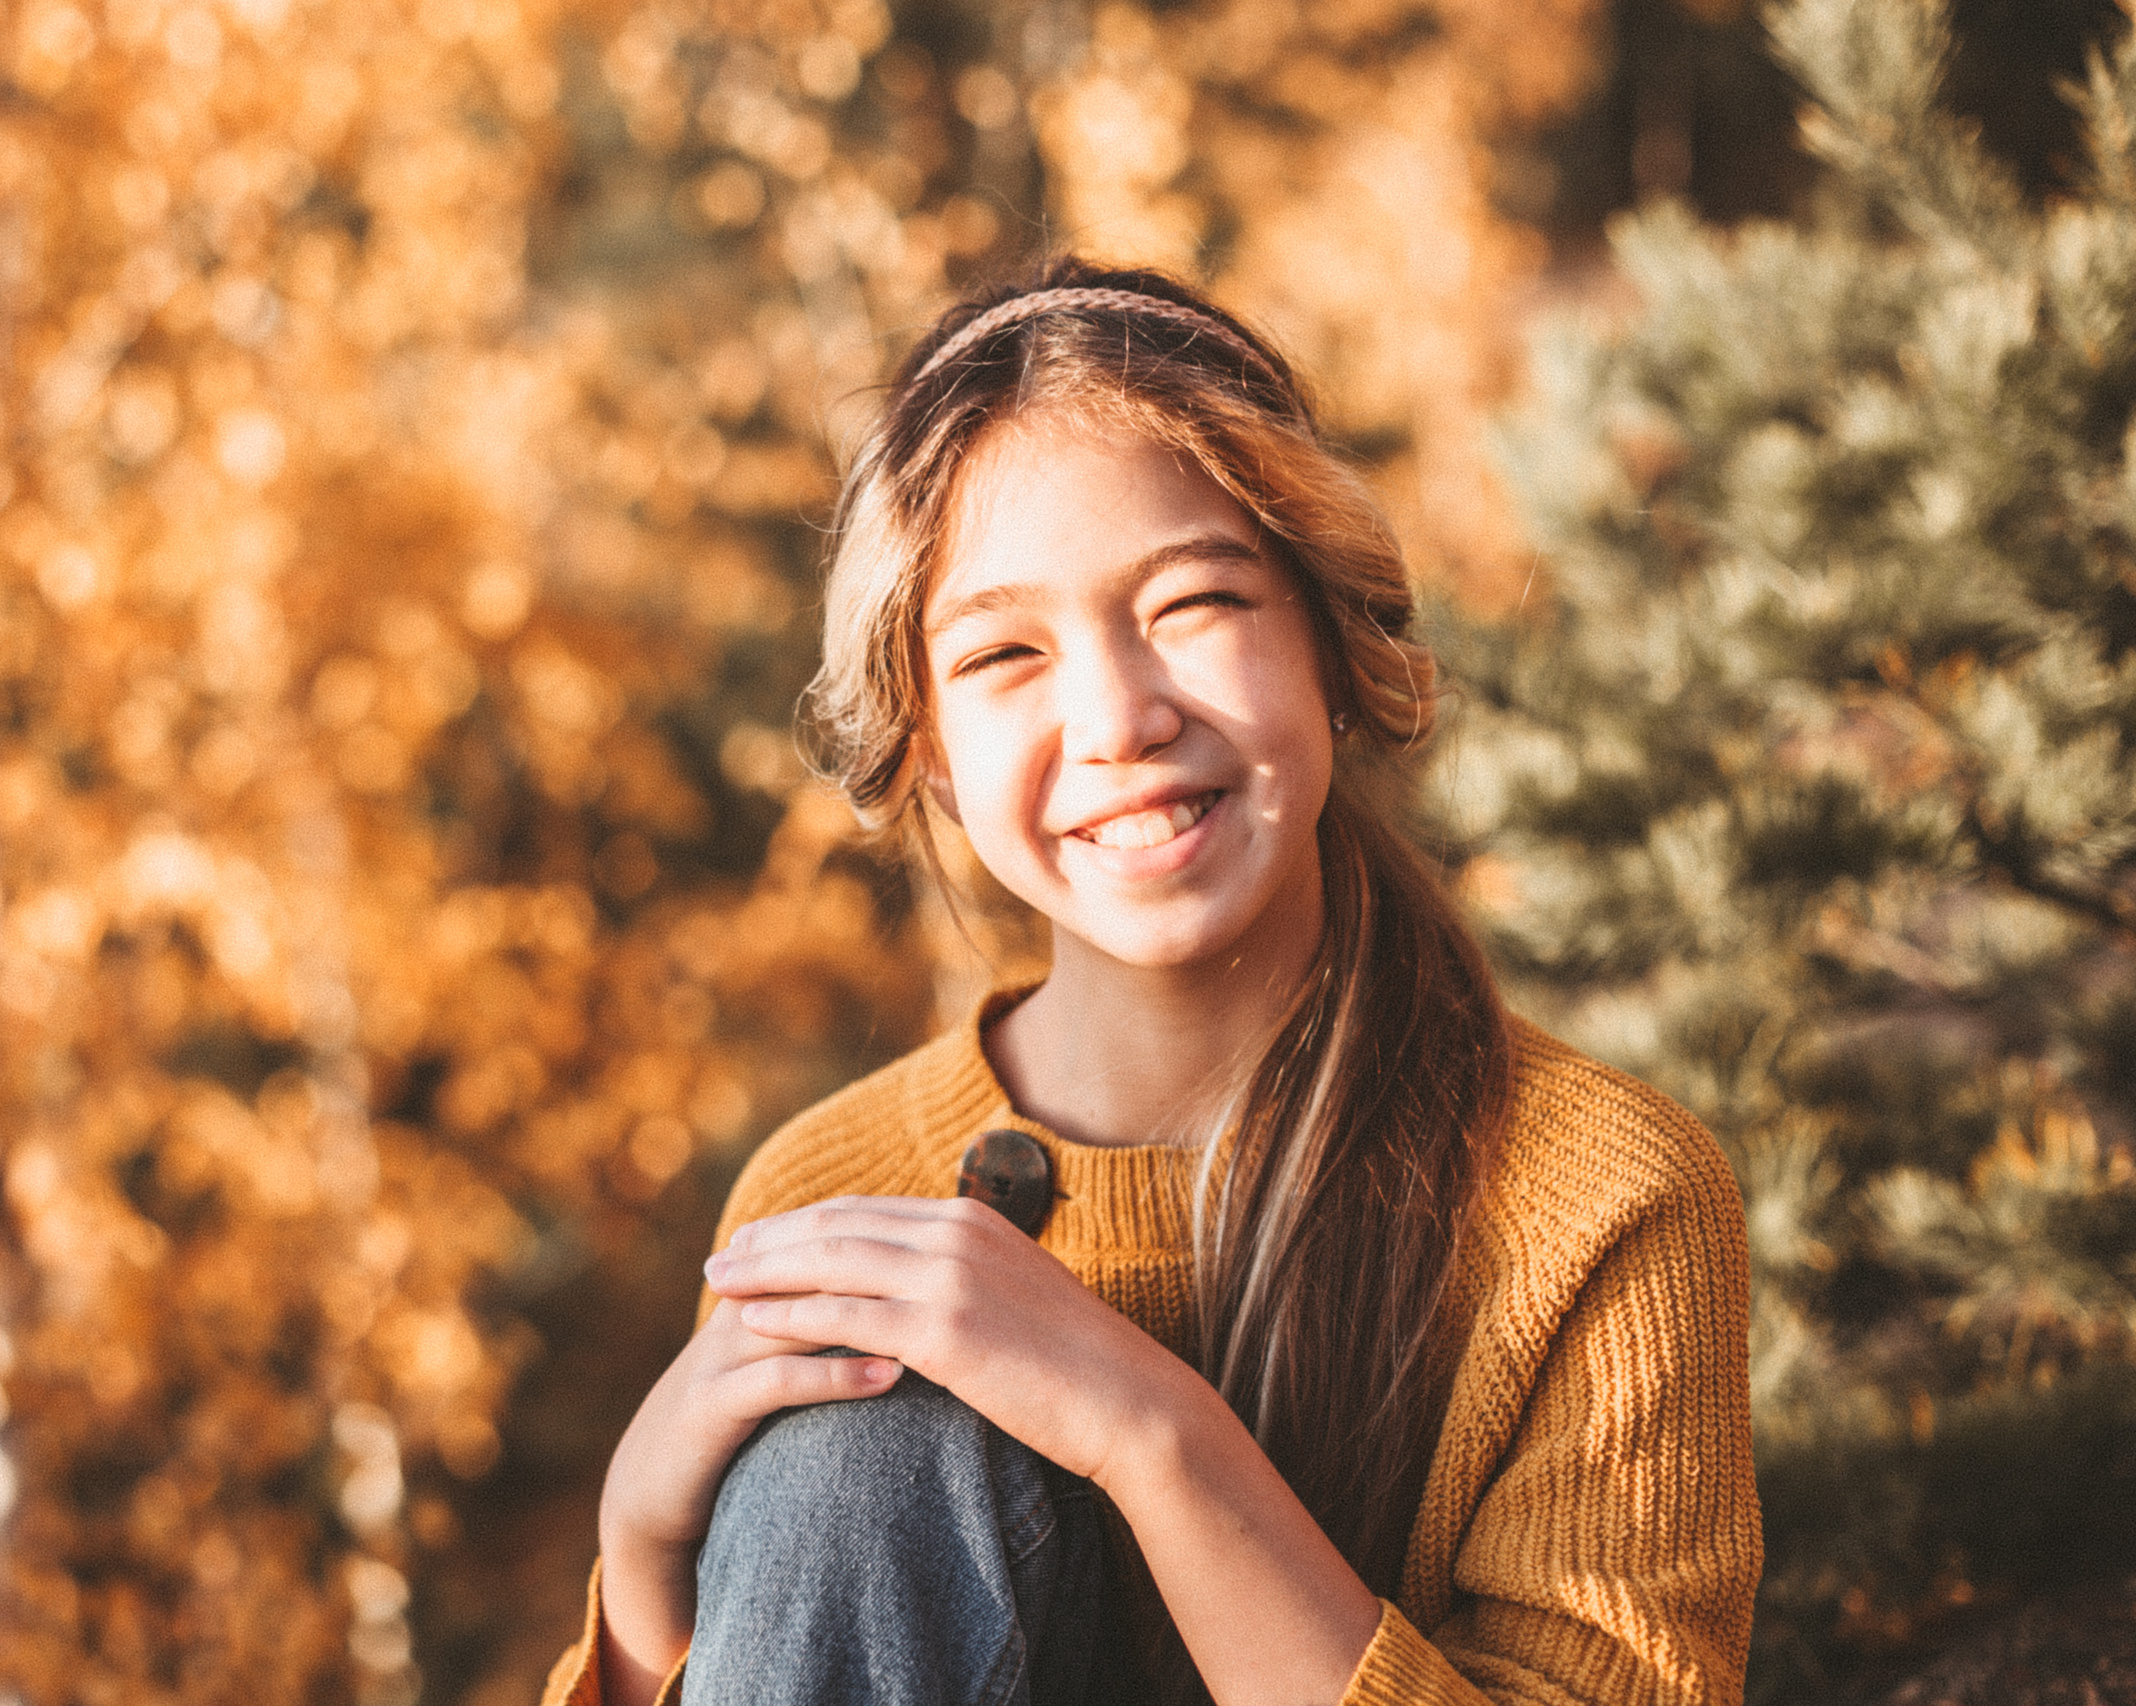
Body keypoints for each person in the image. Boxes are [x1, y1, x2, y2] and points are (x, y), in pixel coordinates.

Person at [539, 257, 1761, 1706]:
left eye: (1194, 601)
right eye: (1004, 652)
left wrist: (1142, 1423)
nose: (1117, 716)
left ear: (1327, 630)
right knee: (849, 1451)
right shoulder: (836, 1186)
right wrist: (638, 1569)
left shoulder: (1602, 1198)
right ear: (928, 745)